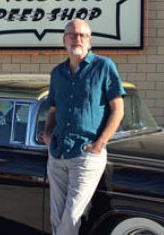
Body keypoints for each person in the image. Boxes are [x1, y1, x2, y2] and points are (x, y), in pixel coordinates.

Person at [41, 19, 125, 235]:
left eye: (82, 35)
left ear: (89, 40)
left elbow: (118, 110)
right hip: (58, 153)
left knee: (72, 215)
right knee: (57, 215)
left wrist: (100, 144)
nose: (77, 39)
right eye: (72, 35)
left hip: (86, 154)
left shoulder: (104, 67)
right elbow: (53, 110)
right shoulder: (57, 73)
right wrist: (48, 135)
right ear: (64, 40)